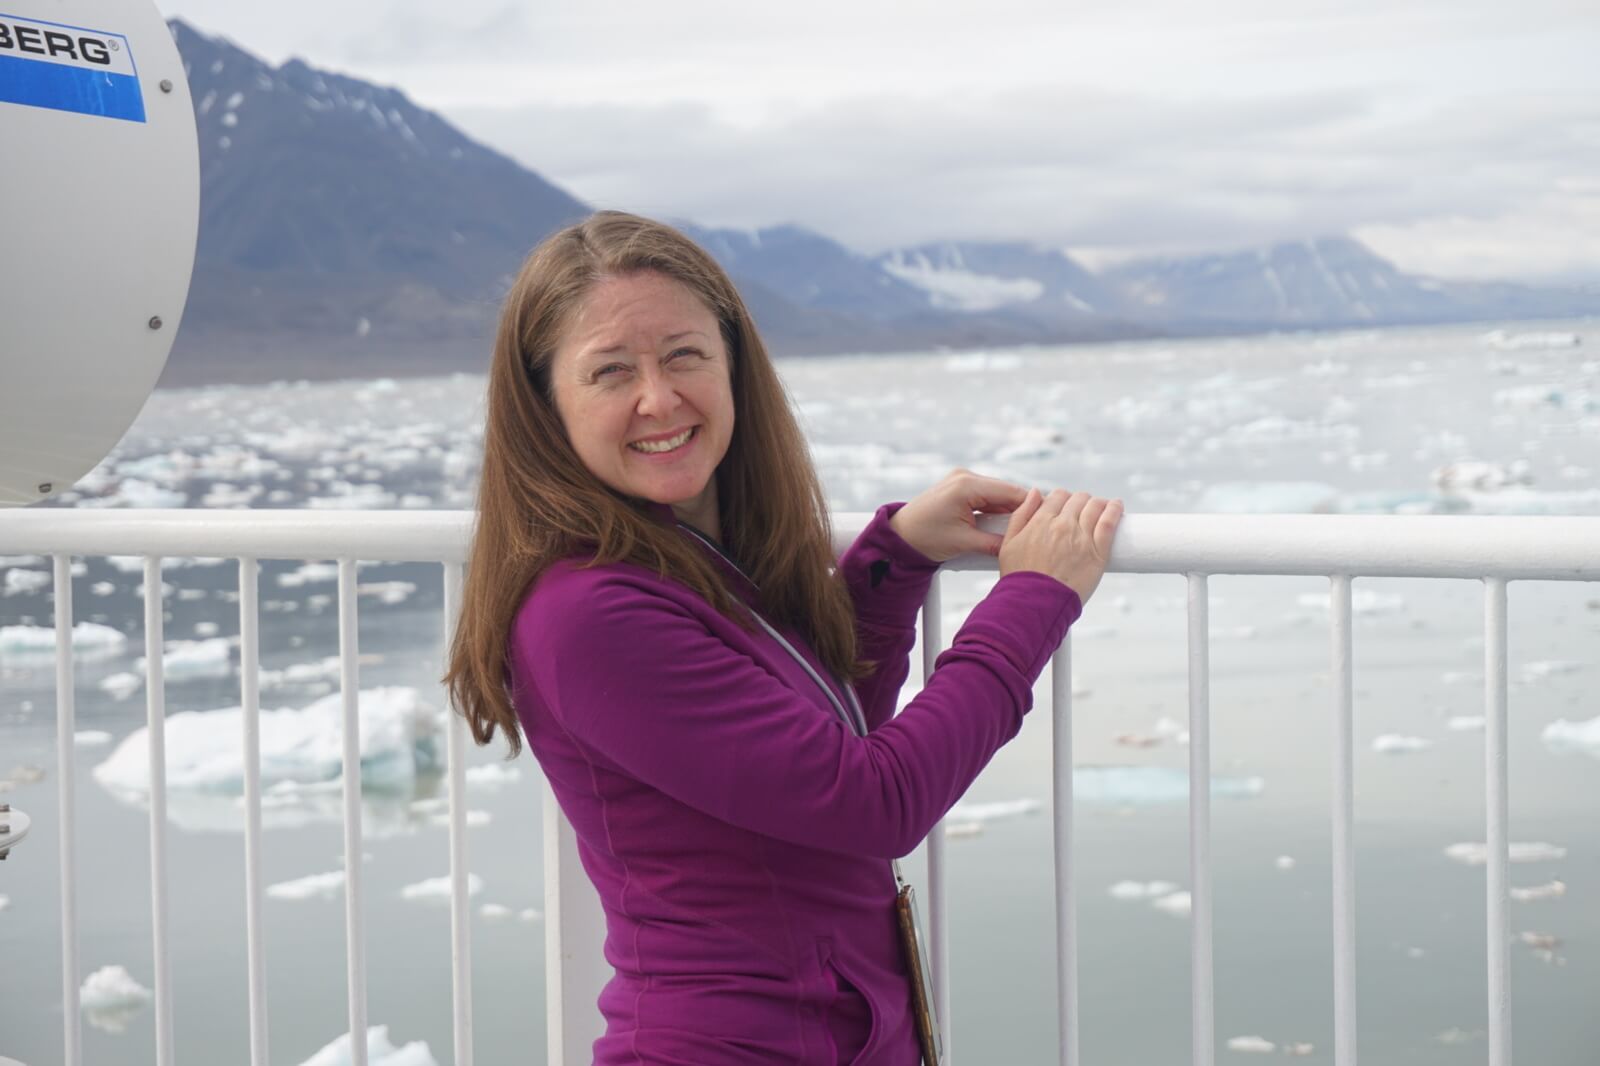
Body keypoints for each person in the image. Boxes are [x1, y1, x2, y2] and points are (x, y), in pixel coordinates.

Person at [444, 210, 1122, 1065]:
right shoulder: (589, 611)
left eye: (683, 355)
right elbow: (874, 801)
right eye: (611, 371)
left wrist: (895, 557)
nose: (659, 398)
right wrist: (1033, 598)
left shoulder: (686, 560)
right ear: (547, 405)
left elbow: (817, 730)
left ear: (733, 365)